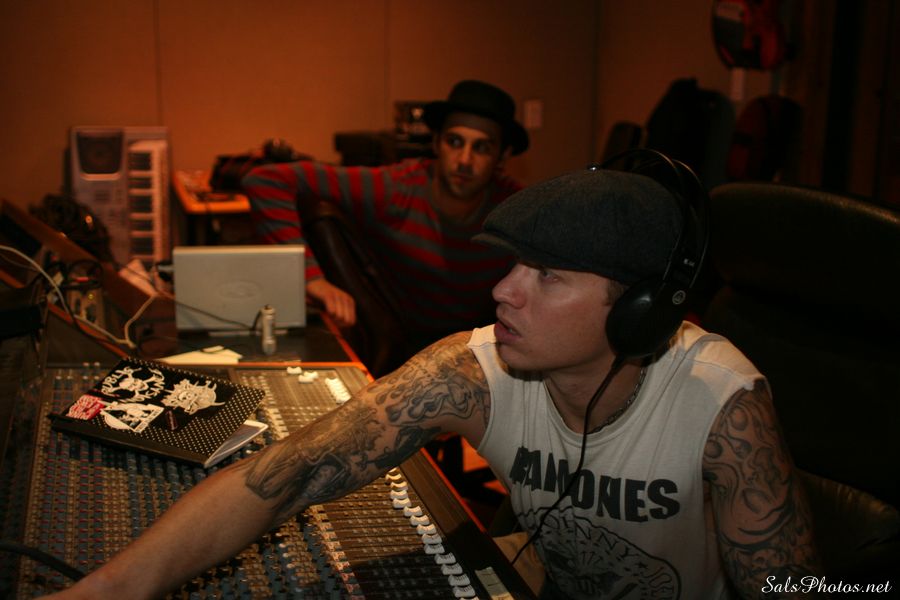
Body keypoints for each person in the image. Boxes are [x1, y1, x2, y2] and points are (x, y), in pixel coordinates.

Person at [48, 162, 823, 599]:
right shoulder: (476, 369)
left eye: (547, 276)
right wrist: (107, 591)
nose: (504, 291)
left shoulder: (722, 404)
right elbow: (288, 475)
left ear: (638, 311)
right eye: (513, 264)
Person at [242, 79, 528, 348]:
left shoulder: (518, 209)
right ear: (436, 143)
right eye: (454, 142)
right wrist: (311, 278)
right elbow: (266, 181)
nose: (464, 160)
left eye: (482, 148)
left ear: (502, 156)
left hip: (486, 351)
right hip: (406, 351)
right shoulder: (397, 188)